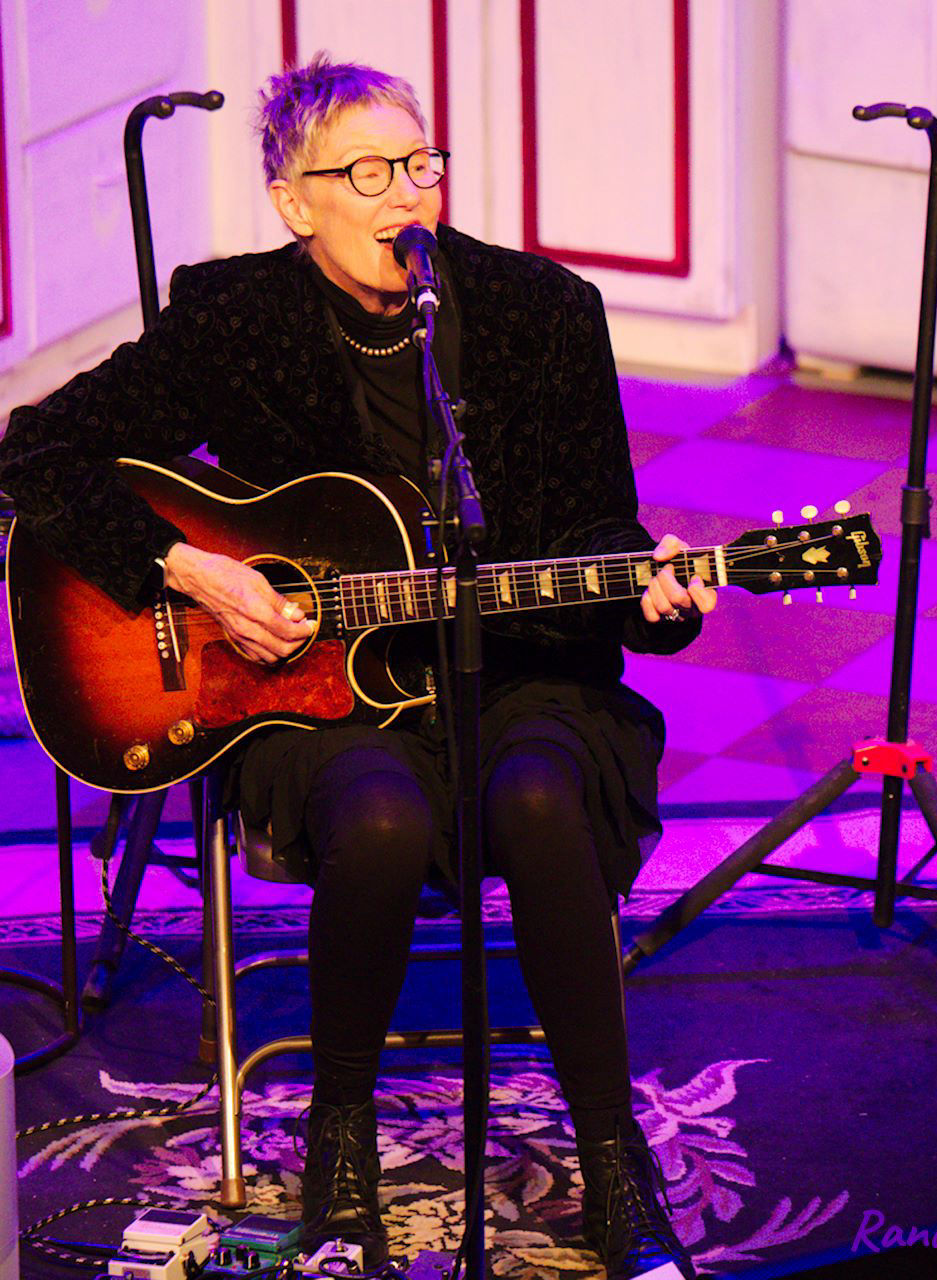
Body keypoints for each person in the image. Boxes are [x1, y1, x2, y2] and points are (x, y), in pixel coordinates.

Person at [0, 56, 709, 1279]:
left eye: (420, 166)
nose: (404, 199)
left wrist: (657, 592)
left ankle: (611, 1154)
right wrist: (192, 570)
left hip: (520, 670)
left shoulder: (541, 311)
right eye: (366, 174)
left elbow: (599, 534)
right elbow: (35, 454)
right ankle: (340, 1142)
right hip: (310, 697)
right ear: (294, 201)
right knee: (377, 817)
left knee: (536, 795)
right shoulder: (235, 317)